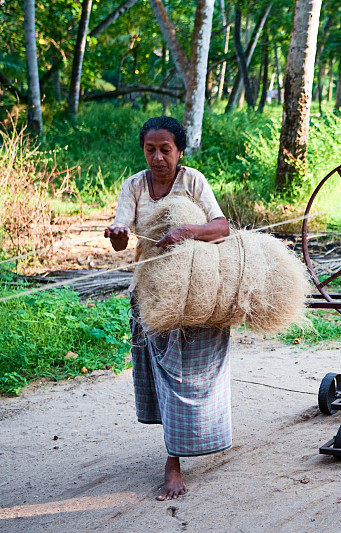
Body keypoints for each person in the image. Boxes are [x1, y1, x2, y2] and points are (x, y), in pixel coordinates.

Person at [105, 116, 231, 500]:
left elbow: (222, 227)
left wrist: (187, 231)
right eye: (150, 150)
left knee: (197, 374)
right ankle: (173, 461)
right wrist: (118, 235)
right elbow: (120, 243)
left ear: (179, 151)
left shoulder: (193, 181)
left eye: (165, 150)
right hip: (151, 294)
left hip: (197, 292)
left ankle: (203, 438)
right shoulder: (134, 186)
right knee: (166, 376)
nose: (157, 158)